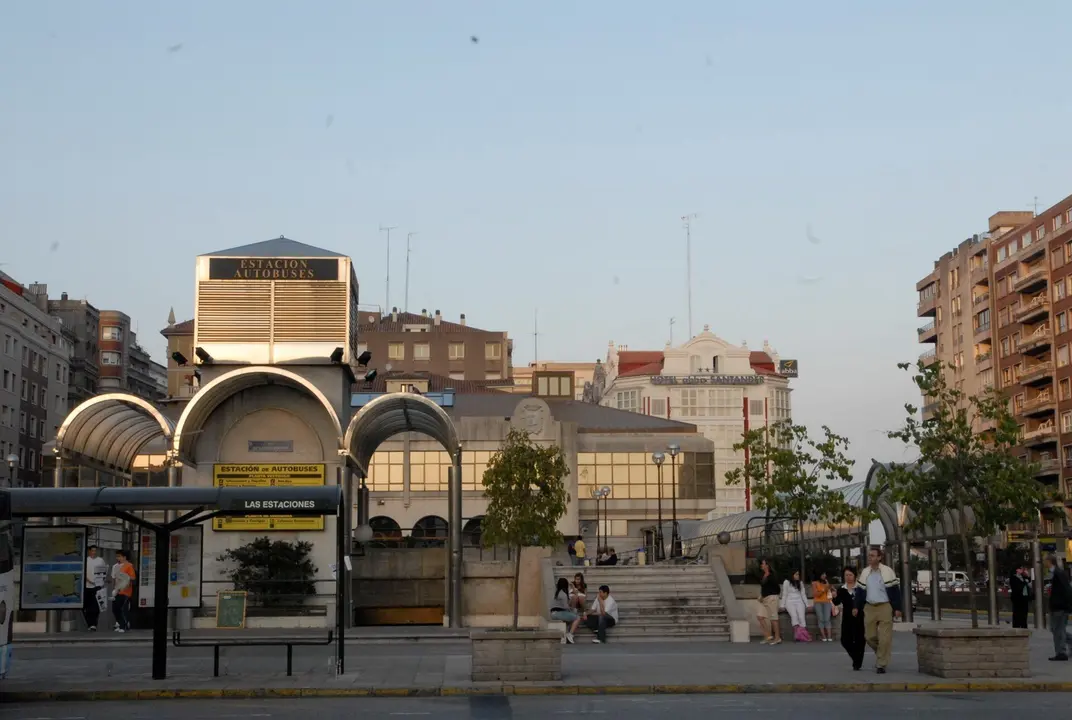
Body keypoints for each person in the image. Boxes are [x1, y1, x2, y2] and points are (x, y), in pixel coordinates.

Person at [857, 547, 901, 674]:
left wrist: (897, 608)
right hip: (869, 607)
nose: (870, 558)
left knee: (885, 638)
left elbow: (895, 591)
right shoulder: (865, 572)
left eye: (872, 555)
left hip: (885, 606)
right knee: (869, 636)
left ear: (879, 557)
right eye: (869, 555)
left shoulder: (887, 571)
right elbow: (860, 591)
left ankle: (881, 664)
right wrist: (856, 606)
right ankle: (882, 652)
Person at [832, 567, 867, 670]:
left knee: (859, 640)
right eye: (846, 575)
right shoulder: (842, 589)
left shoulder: (860, 588)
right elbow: (837, 602)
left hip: (859, 616)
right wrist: (834, 596)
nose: (848, 577)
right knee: (845, 640)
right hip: (847, 617)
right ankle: (856, 658)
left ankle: (857, 662)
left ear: (855, 576)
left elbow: (865, 601)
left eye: (850, 575)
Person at [1044, 554, 1072, 661]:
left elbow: (1067, 590)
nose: (1044, 563)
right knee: (1056, 629)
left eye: (1045, 561)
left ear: (1050, 561)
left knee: (1058, 630)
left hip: (1060, 607)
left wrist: (1067, 606)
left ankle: (1061, 652)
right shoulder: (1054, 574)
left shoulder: (1058, 574)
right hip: (1056, 606)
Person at [82, 545, 109, 631]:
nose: (94, 552)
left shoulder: (100, 560)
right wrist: (88, 580)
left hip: (97, 586)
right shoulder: (85, 560)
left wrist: (102, 580)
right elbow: (82, 572)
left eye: (95, 551)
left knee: (95, 606)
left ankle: (93, 624)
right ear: (89, 551)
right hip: (87, 586)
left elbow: (104, 572)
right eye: (92, 551)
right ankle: (89, 623)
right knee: (86, 606)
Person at [780, 569, 811, 642]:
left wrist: (807, 605)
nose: (798, 576)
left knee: (801, 617)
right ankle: (797, 635)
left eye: (798, 574)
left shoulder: (800, 583)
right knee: (794, 616)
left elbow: (803, 594)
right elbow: (785, 594)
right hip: (789, 601)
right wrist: (782, 605)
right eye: (796, 574)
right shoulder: (786, 582)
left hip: (799, 601)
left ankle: (804, 635)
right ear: (792, 575)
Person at [757, 559, 782, 645]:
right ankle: (768, 636)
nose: (761, 565)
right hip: (764, 599)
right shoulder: (763, 575)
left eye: (763, 564)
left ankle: (777, 638)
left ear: (767, 565)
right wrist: (761, 596)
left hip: (772, 598)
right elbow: (764, 588)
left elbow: (777, 588)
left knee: (773, 618)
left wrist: (773, 596)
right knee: (760, 616)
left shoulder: (772, 575)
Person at [110, 549, 136, 633]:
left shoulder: (129, 565)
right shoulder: (116, 566)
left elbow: (133, 577)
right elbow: (114, 578)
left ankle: (124, 625)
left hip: (125, 591)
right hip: (117, 590)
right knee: (115, 609)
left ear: (124, 557)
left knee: (123, 609)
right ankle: (120, 623)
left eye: (119, 556)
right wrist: (114, 588)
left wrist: (125, 576)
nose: (118, 558)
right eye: (117, 556)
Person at [550, 578, 581, 644]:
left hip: (554, 613)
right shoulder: (563, 594)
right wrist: (572, 611)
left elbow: (575, 596)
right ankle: (570, 634)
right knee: (577, 618)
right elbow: (566, 607)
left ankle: (566, 634)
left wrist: (573, 587)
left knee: (572, 615)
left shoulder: (557, 593)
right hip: (558, 613)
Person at [1009, 565, 1032, 630]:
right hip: (1017, 598)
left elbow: (1029, 582)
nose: (1022, 569)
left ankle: (1024, 625)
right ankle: (1016, 626)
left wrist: (1027, 575)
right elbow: (1017, 587)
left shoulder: (1024, 577)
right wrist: (1025, 583)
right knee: (1017, 613)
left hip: (1024, 598)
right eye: (1020, 568)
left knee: (1024, 613)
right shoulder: (1013, 577)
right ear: (1017, 570)